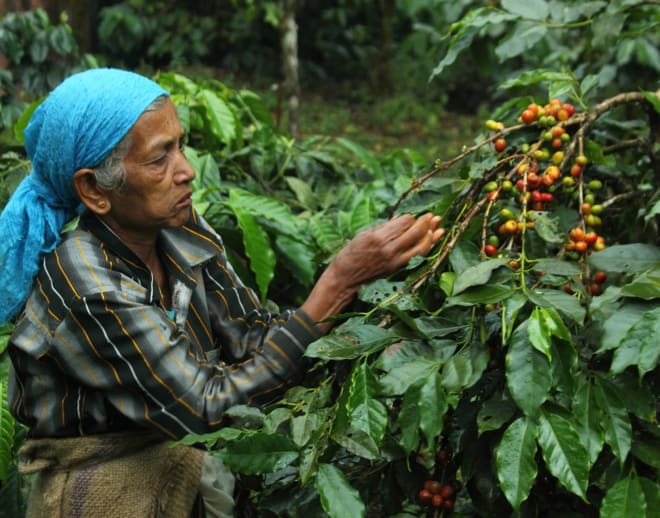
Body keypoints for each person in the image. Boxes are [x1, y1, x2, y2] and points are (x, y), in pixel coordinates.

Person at [0, 68, 444, 518]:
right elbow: (205, 407)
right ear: (94, 189)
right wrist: (338, 282)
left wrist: (369, 311)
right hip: (107, 489)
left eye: (181, 146)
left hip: (188, 472)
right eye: (160, 159)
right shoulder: (85, 282)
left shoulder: (178, 229)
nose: (187, 171)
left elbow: (251, 335)